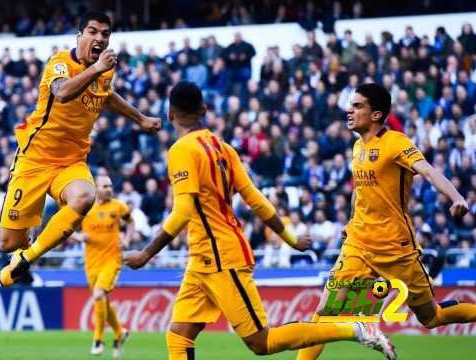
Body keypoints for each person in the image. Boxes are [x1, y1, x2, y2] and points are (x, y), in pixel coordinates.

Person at [124, 81, 396, 360]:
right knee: (179, 335)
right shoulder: (223, 147)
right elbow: (254, 197)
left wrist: (146, 253)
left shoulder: (182, 150)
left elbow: (182, 210)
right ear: (204, 110)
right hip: (202, 258)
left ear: (170, 114)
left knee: (261, 342)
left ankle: (354, 329)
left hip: (221, 259)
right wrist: (290, 238)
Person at [297, 83, 475, 360]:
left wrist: (456, 197)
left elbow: (427, 171)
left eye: (357, 106)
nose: (350, 110)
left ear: (376, 114)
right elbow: (360, 189)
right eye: (351, 104)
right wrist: (352, 220)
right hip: (358, 244)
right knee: (324, 312)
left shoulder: (397, 143)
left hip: (397, 248)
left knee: (431, 317)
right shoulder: (357, 147)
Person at [0, 11, 160, 286]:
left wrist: (140, 118)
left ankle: (28, 257)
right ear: (79, 36)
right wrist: (96, 68)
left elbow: (106, 96)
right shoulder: (60, 63)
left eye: (105, 34)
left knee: (85, 196)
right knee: (8, 242)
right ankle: (23, 246)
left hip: (71, 161)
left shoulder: (104, 71)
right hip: (34, 159)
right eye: (93, 31)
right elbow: (62, 93)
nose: (99, 38)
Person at [74, 175, 133, 357]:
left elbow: (131, 222)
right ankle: (119, 332)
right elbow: (68, 228)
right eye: (105, 186)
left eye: (110, 185)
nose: (109, 189)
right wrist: (78, 237)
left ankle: (98, 339)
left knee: (99, 294)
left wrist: (128, 239)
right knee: (102, 300)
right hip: (91, 262)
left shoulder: (118, 206)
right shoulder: (85, 207)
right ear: (96, 189)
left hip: (112, 259)